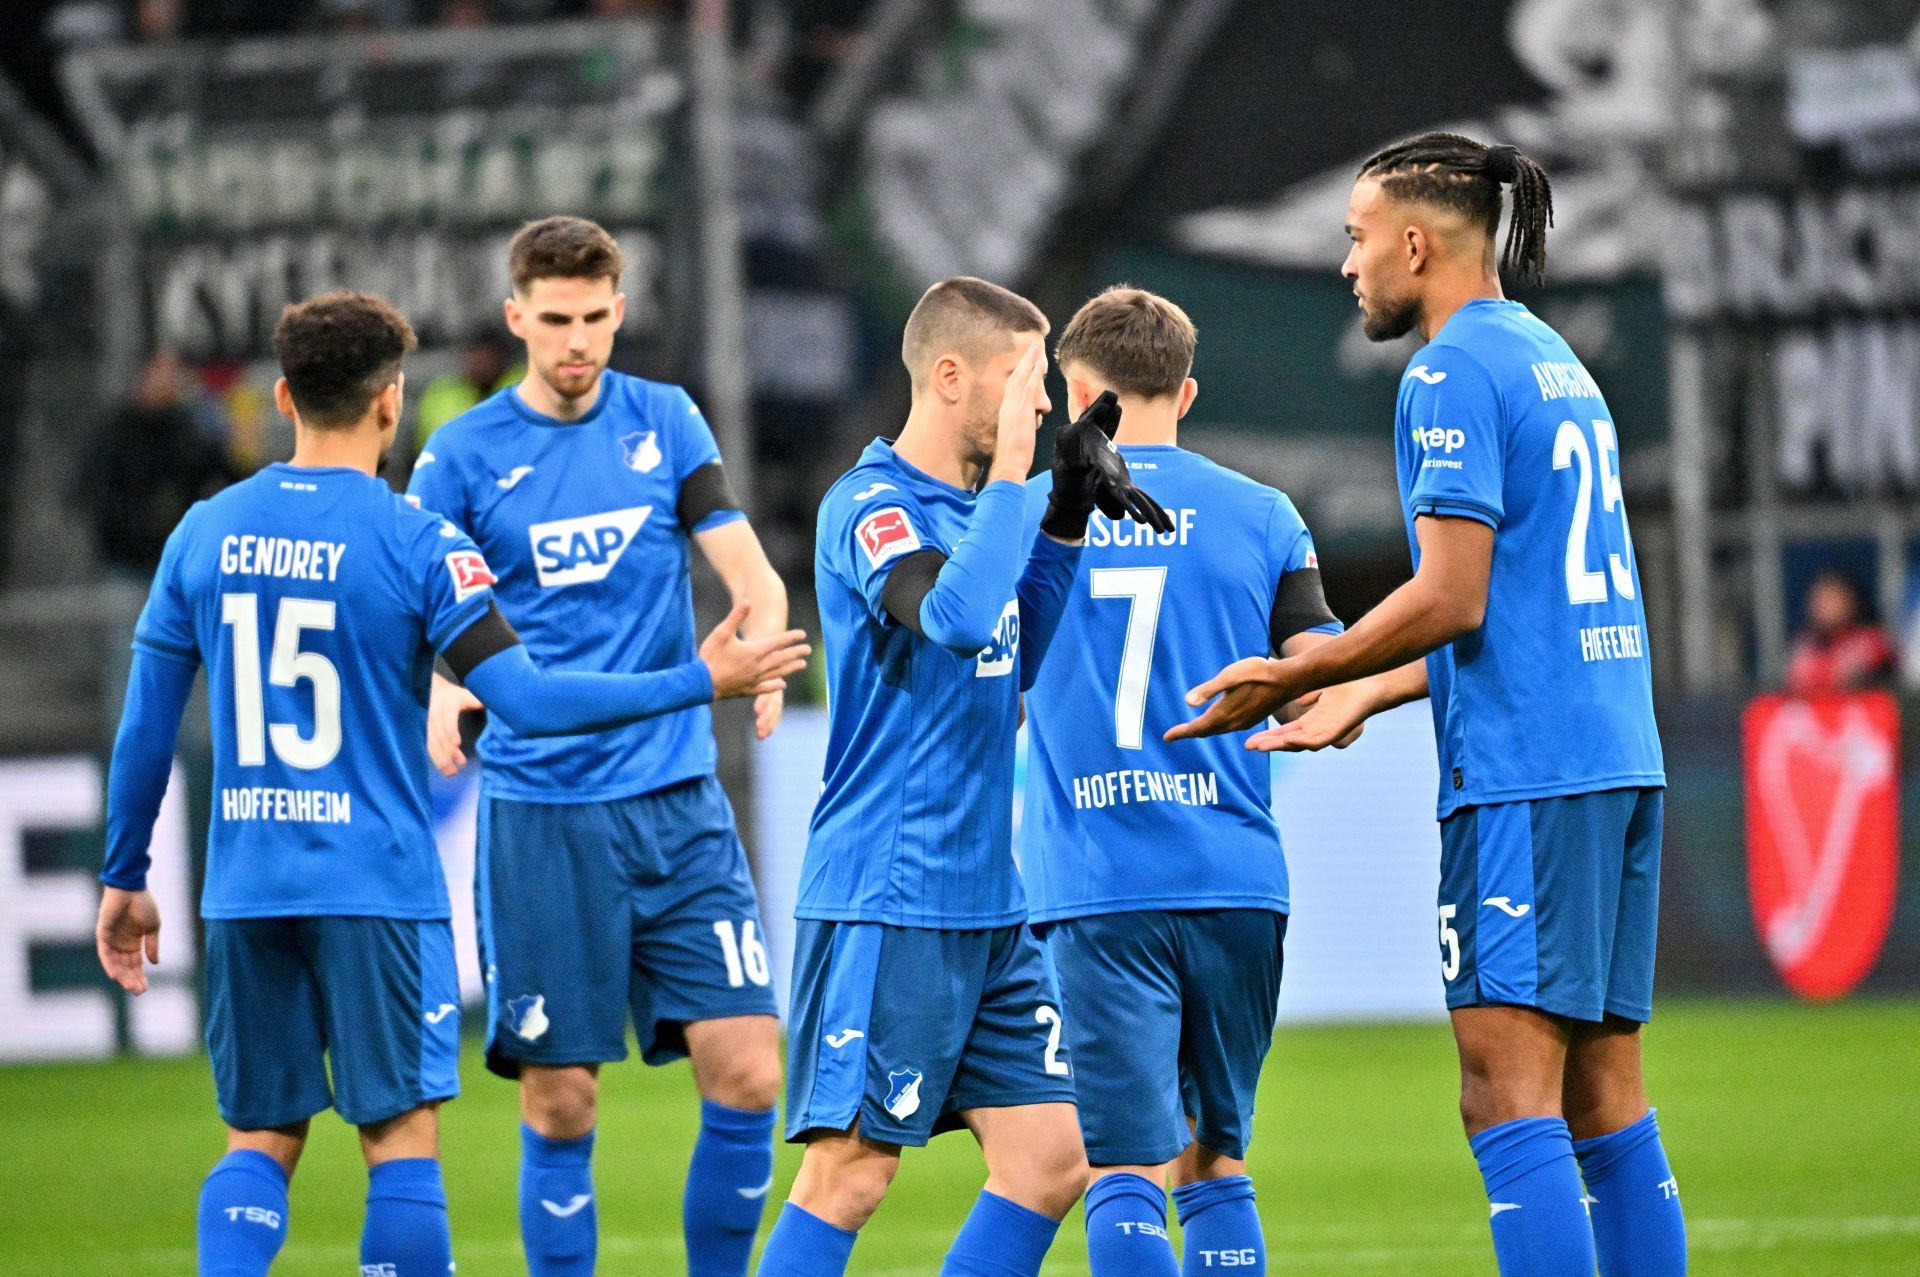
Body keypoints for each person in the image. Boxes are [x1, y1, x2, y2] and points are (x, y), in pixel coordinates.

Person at [93, 290, 808, 1277]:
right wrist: (703, 678)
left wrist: (124, 873)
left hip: (248, 885)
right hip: (379, 887)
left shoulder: (204, 534)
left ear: (287, 396)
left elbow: (144, 727)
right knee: (398, 1143)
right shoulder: (419, 544)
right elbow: (533, 702)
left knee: (259, 1140)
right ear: (391, 402)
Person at [1169, 134, 1685, 1276]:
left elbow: (1452, 595)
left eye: (1357, 239)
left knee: (1505, 1095)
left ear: (1415, 241)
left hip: (1526, 775)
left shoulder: (1448, 373)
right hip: (1611, 754)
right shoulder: (1553, 357)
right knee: (1606, 1098)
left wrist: (1300, 666)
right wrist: (1366, 688)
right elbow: (1516, 606)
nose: (1348, 264)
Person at [754, 276, 1170, 1277]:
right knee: (850, 1174)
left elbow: (1013, 657)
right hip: (891, 891)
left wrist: (1061, 522)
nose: (1043, 405)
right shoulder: (871, 504)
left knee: (1051, 1155)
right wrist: (1024, 483)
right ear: (949, 377)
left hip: (988, 899)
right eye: (1026, 381)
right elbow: (951, 618)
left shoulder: (992, 510)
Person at [409, 215, 795, 1277]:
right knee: (564, 1092)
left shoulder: (664, 421)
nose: (577, 342)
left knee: (752, 1068)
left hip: (677, 802)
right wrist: (445, 688)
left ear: (618, 311)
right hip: (544, 815)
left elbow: (748, 571)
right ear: (516, 317)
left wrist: (761, 638)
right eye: (556, 321)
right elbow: (429, 605)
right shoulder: (461, 457)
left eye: (595, 319)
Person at [1019, 286, 1347, 1277]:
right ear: (1188, 390)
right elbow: (1321, 672)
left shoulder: (1035, 518)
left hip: (1101, 884)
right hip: (1236, 879)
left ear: (1074, 390)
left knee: (1123, 1166)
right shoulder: (1267, 514)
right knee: (1214, 1158)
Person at [1784, 568, 1895, 694]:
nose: (1822, 606)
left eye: (1831, 598)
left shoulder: (1871, 641)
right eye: (1818, 598)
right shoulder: (1803, 645)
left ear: (1849, 601)